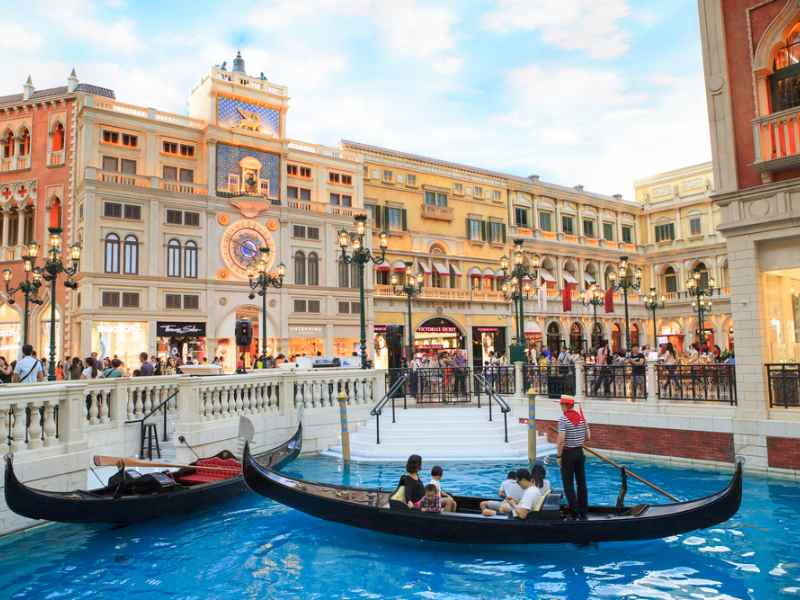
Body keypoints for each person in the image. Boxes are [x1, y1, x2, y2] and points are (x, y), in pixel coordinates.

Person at [557, 395, 590, 520]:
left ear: (565, 405)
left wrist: (558, 456)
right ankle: (583, 511)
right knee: (581, 483)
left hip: (568, 454)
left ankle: (574, 512)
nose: (561, 407)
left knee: (568, 484)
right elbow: (588, 437)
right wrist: (578, 440)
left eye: (561, 405)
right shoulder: (582, 418)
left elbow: (561, 440)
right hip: (579, 453)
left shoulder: (563, 419)